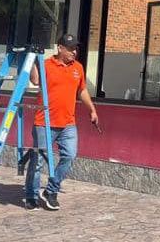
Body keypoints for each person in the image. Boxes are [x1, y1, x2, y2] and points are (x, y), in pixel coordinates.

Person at [24, 34, 99, 211]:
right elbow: (35, 80)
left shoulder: (78, 68)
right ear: (60, 48)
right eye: (71, 48)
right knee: (38, 161)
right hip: (45, 123)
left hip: (68, 123)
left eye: (75, 48)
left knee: (70, 156)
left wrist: (92, 110)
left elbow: (81, 91)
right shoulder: (46, 65)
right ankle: (31, 195)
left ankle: (51, 191)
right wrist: (34, 59)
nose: (74, 51)